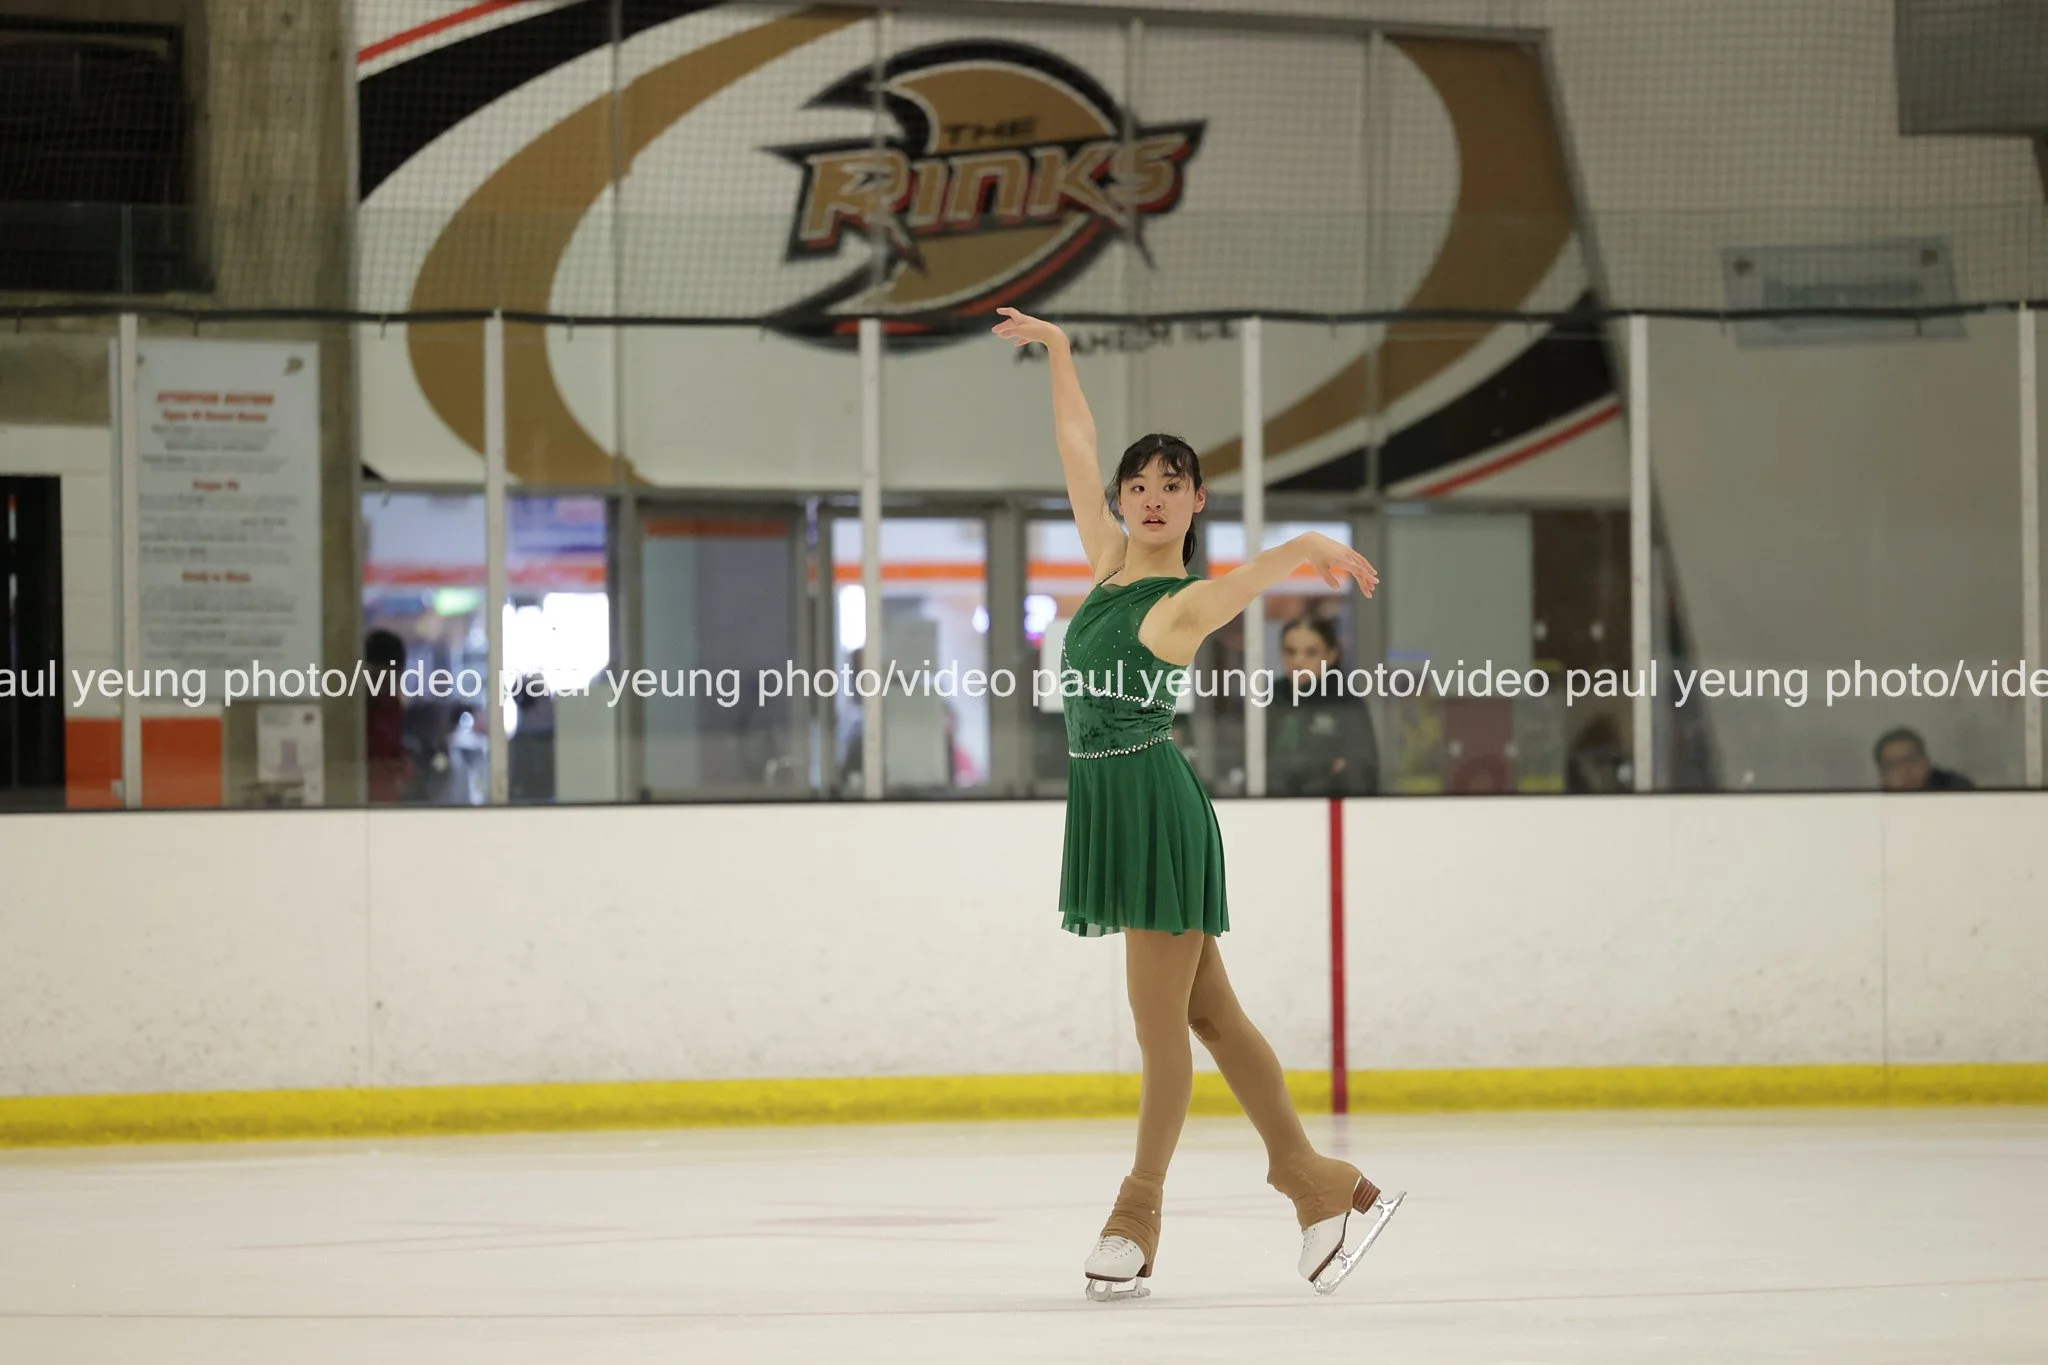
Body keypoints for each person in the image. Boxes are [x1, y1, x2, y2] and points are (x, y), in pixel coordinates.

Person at [993, 306, 1405, 1301]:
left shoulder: (1180, 605)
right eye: (1136, 485)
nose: (1148, 497)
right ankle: (1314, 1182)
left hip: (1153, 811)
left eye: (1168, 486)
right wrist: (1058, 351)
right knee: (1212, 1016)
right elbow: (1076, 441)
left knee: (1160, 1028)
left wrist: (1305, 543)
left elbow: (1251, 580)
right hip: (1113, 803)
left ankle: (1136, 1213)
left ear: (1193, 501)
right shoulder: (1104, 567)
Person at [1269, 612, 1381, 796]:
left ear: (1331, 655)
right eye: (1290, 652)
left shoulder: (1346, 704)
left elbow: (1362, 775)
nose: (1298, 661)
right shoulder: (1268, 699)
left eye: (1311, 653)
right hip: (1267, 807)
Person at [1873, 727, 1973, 791]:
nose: (1905, 770)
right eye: (1895, 765)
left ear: (1926, 761)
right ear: (1883, 775)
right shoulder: (1876, 804)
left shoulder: (1955, 788)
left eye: (1911, 759)